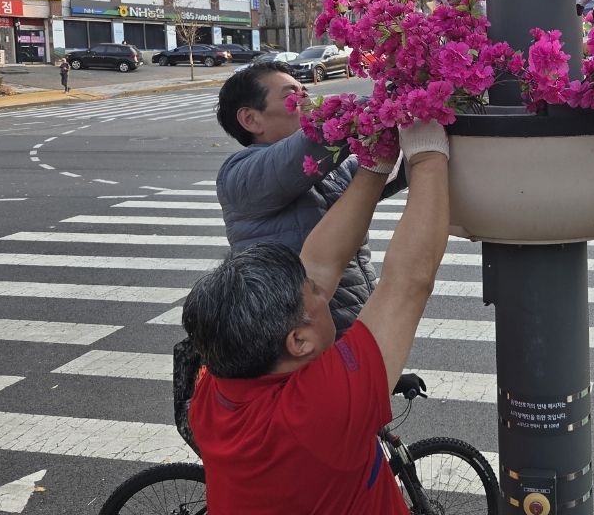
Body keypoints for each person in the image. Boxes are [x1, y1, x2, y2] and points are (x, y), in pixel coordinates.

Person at [182, 120, 450, 515]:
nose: (323, 288)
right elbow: (409, 283)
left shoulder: (215, 388)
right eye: (317, 295)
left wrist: (375, 166)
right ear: (299, 341)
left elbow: (320, 261)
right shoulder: (314, 412)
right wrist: (427, 151)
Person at [214, 60, 401, 335]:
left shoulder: (329, 169)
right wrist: (384, 104)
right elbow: (301, 150)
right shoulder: (240, 176)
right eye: (291, 93)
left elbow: (390, 168)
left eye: (304, 89)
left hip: (352, 332)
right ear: (251, 119)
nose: (306, 98)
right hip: (297, 342)